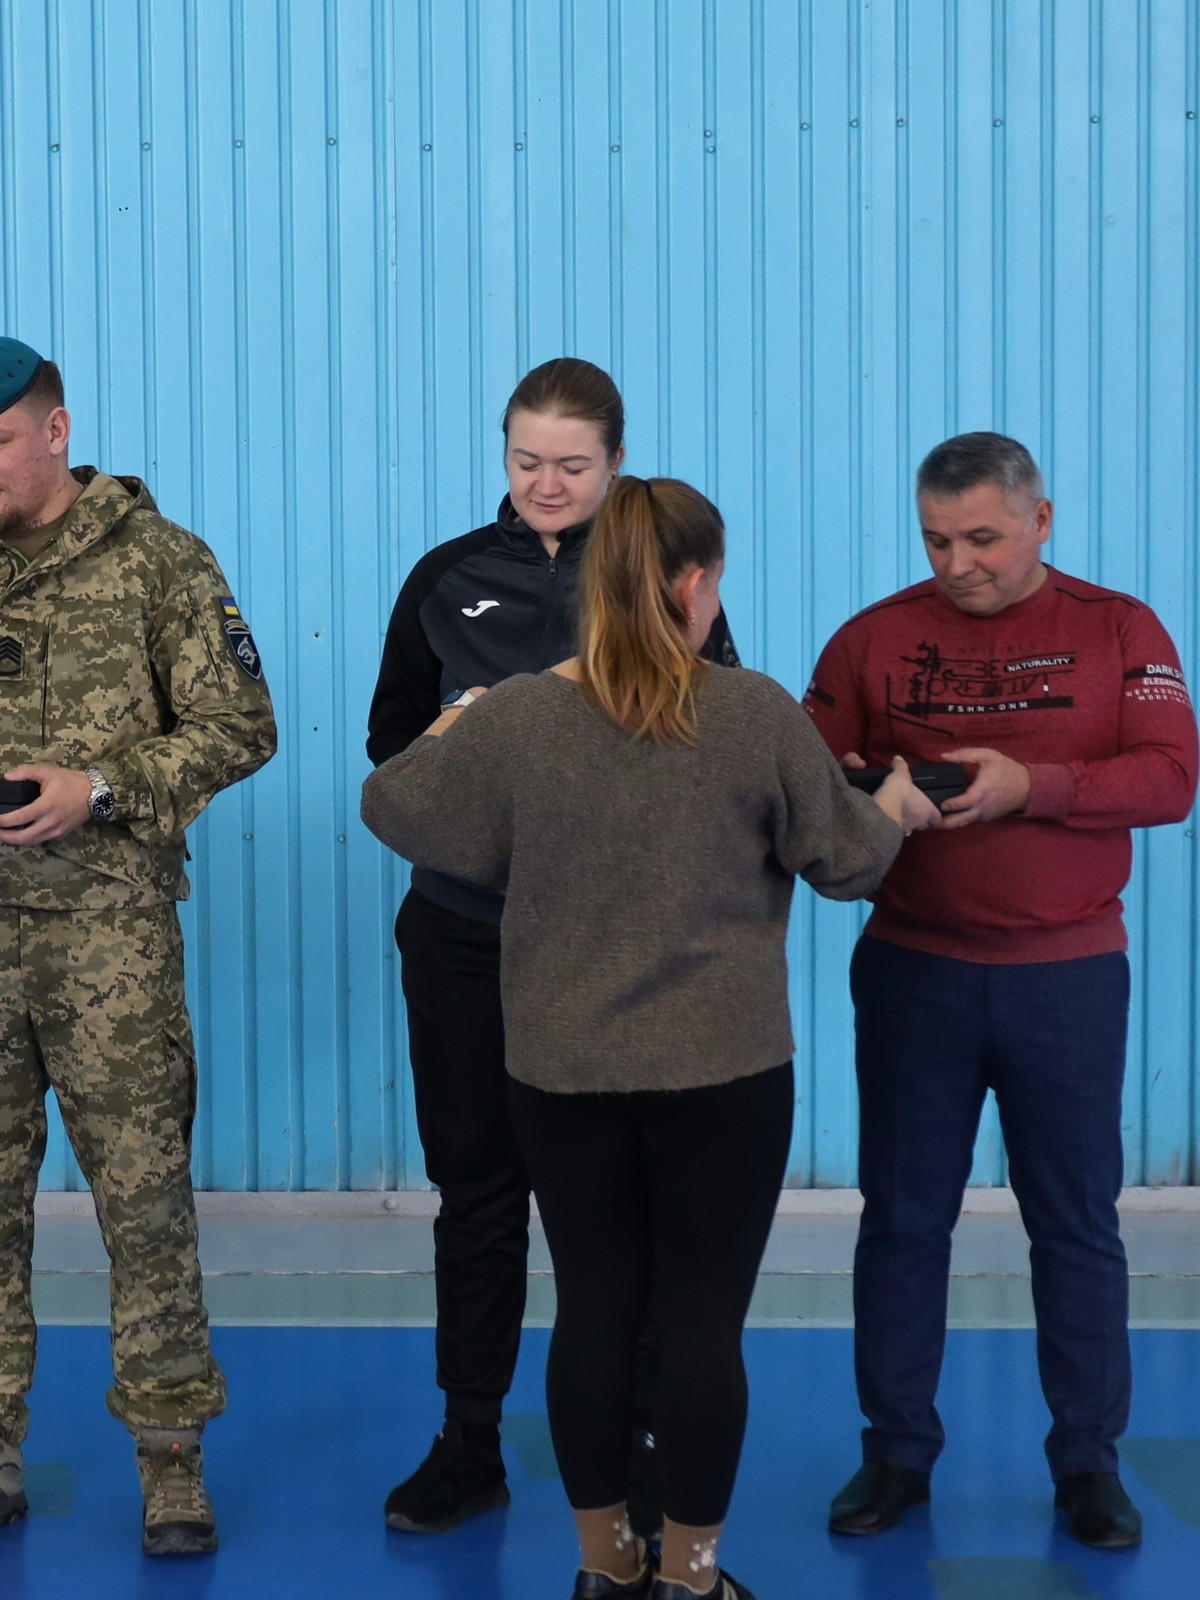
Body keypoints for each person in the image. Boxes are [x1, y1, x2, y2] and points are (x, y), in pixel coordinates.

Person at [361, 475, 932, 1599]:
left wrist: (455, 726)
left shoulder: (520, 716)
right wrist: (897, 809)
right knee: (702, 1325)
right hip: (723, 1071)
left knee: (592, 1310)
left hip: (562, 1069)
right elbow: (847, 862)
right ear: (696, 582)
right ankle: (692, 1575)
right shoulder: (753, 712)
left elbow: (396, 805)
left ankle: (603, 1565)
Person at [0, 336, 278, 1557]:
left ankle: (172, 1460)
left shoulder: (161, 564)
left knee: (145, 1208)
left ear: (57, 431)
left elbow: (242, 723)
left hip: (110, 950)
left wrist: (104, 788)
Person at [362, 357, 740, 1536]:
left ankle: (634, 1445)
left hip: (613, 947)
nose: (547, 483)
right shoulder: (446, 578)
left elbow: (720, 737)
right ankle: (468, 1441)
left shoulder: (661, 580)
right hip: (466, 935)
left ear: (616, 463)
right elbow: (389, 748)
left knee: (620, 1209)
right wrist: (457, 734)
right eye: (527, 460)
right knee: (477, 1192)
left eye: (573, 464)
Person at [806, 433, 1199, 1551]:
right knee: (901, 1222)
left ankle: (1089, 1464)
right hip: (914, 970)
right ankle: (895, 1454)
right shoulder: (873, 637)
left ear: (1041, 519)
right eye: (937, 541)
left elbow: (1172, 775)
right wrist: (879, 789)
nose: (958, 564)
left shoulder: (1120, 629)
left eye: (982, 538)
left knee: (1076, 1226)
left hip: (1067, 976)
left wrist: (1034, 785)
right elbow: (800, 778)